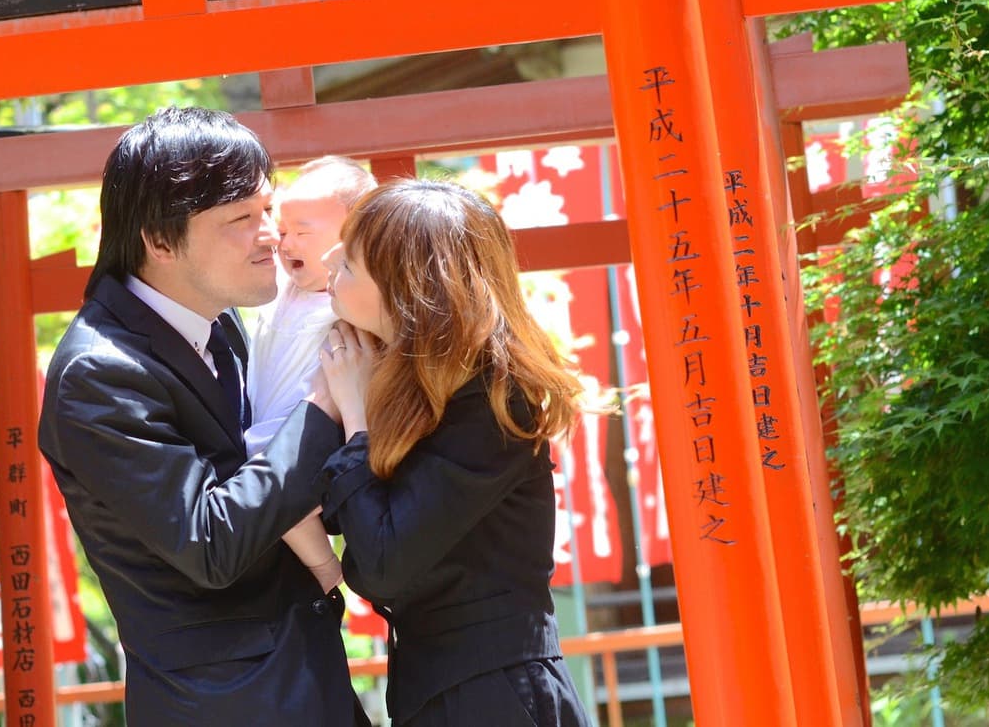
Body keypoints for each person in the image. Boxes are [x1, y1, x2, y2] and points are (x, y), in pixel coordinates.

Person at [39, 107, 366, 726]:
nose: (271, 233)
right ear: (160, 242)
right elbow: (209, 541)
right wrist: (326, 403)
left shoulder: (221, 323)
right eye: (242, 219)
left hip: (304, 676)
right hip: (223, 703)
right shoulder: (97, 375)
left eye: (268, 209)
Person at [317, 179, 593, 727]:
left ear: (406, 290)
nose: (328, 263)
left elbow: (382, 564)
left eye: (349, 262)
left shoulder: (493, 403)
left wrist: (354, 417)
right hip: (451, 689)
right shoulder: (427, 388)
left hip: (492, 693)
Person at [246, 156, 377, 593]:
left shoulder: (349, 301)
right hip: (264, 420)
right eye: (282, 231)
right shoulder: (281, 288)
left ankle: (324, 566)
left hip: (305, 433)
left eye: (303, 232)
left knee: (277, 483)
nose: (286, 244)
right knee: (260, 470)